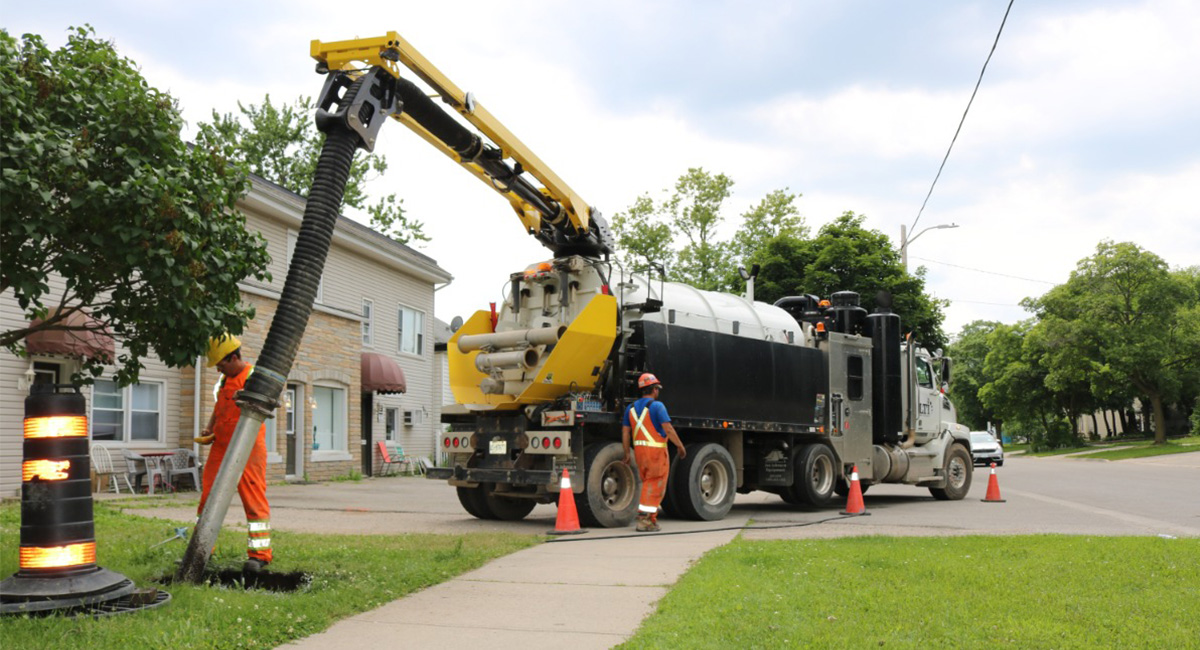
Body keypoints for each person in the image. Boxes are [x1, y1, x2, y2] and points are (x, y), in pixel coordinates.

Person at [196, 334, 272, 572]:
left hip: (249, 447)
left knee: (253, 498)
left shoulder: (253, 376)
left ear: (234, 356)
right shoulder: (222, 381)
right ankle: (202, 550)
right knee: (208, 497)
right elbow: (219, 406)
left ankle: (259, 555)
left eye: (220, 362)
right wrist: (210, 427)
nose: (218, 367)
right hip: (221, 446)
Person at [622, 373, 686, 532]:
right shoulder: (658, 406)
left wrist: (627, 453)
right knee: (655, 484)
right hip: (656, 453)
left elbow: (625, 433)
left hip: (640, 453)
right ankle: (644, 520)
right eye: (658, 388)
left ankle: (651, 519)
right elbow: (668, 429)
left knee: (648, 483)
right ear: (655, 389)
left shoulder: (630, 409)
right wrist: (679, 446)